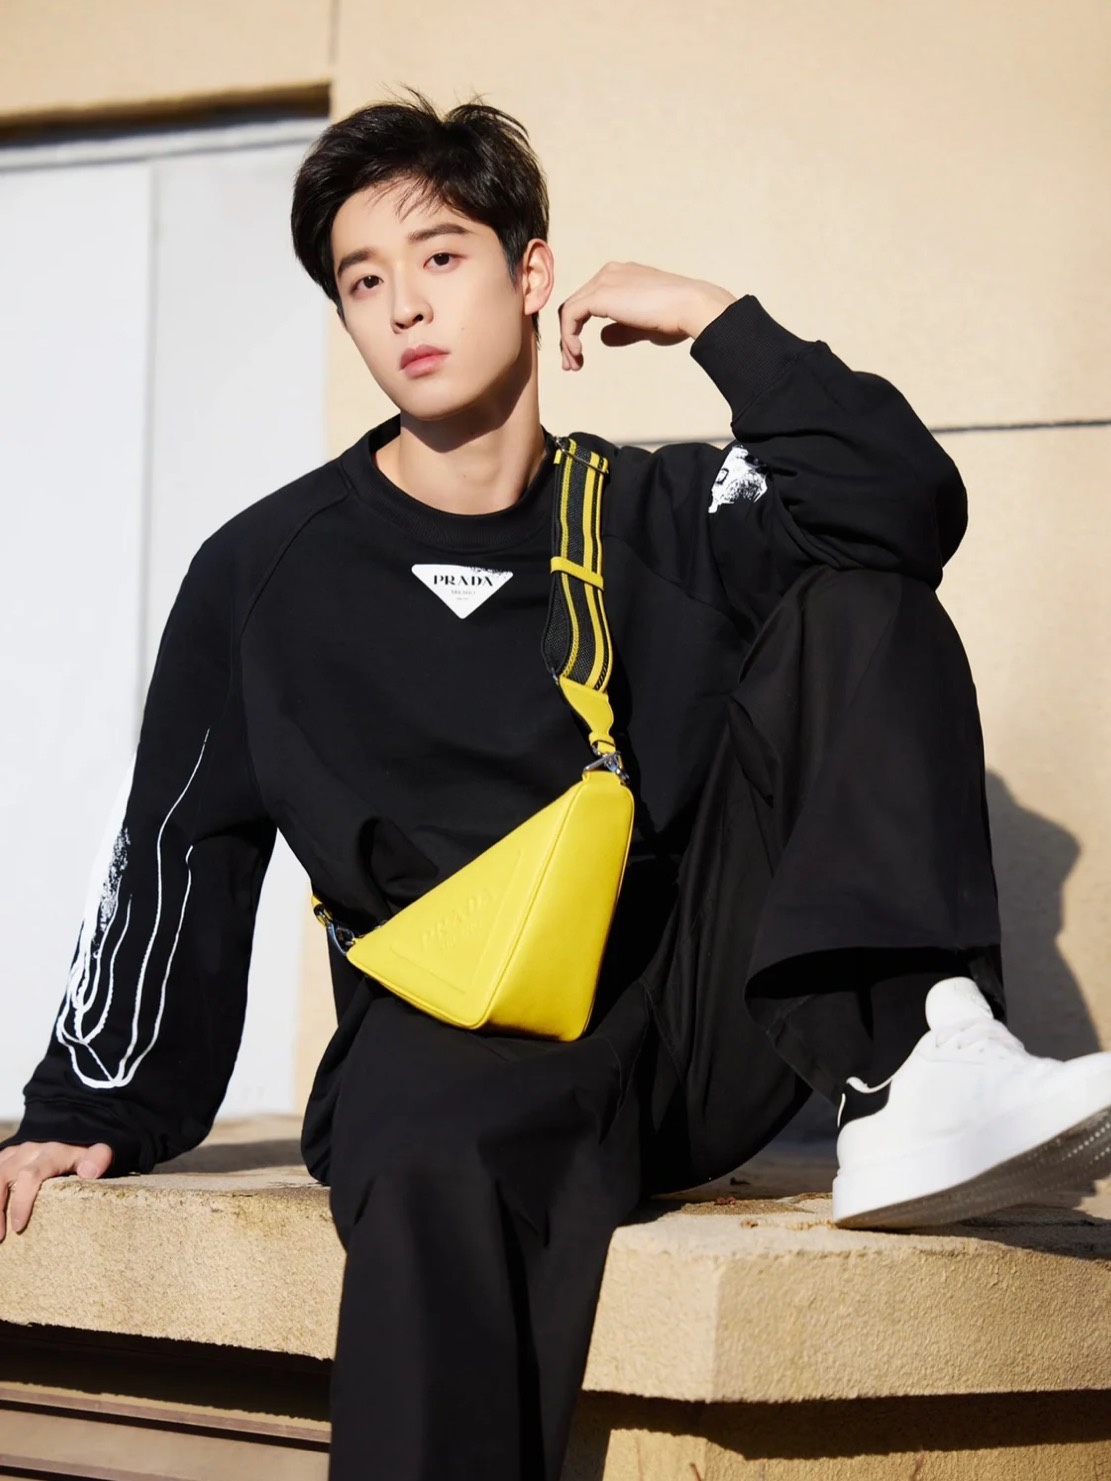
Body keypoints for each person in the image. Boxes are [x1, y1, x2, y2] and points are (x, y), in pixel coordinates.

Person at [1, 91, 1109, 1481]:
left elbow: (903, 501)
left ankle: (911, 1070)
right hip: (450, 1037)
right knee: (430, 1157)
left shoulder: (666, 513)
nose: (404, 304)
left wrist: (715, 320)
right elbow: (180, 845)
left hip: (687, 1029)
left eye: (441, 255)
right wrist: (93, 1106)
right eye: (363, 280)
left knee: (862, 591)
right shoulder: (269, 571)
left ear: (532, 274)